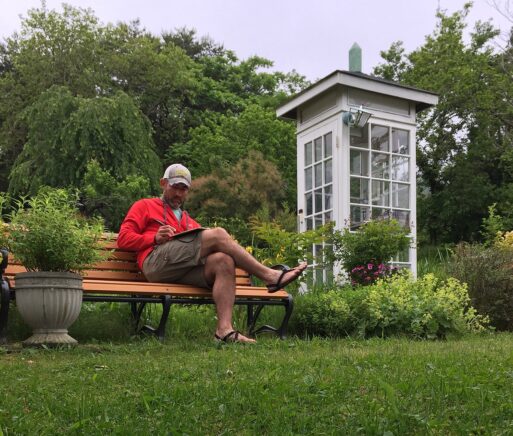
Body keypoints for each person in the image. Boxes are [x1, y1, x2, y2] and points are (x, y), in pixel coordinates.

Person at [118, 163, 307, 343]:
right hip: (155, 264)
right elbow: (123, 239)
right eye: (175, 187)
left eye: (184, 189)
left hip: (179, 271)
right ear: (163, 183)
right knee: (218, 234)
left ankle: (224, 331)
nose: (178, 193)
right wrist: (153, 239)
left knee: (222, 260)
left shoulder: (187, 220)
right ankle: (270, 276)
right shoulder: (144, 206)